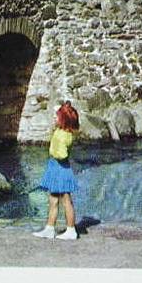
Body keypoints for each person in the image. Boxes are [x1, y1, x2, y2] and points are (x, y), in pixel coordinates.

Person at [33, 101, 80, 240]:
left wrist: (57, 152)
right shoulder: (65, 132)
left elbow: (62, 154)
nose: (54, 118)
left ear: (63, 120)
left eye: (57, 116)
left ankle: (71, 230)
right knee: (53, 199)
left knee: (66, 200)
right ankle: (50, 228)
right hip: (56, 167)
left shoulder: (61, 135)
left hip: (60, 168)